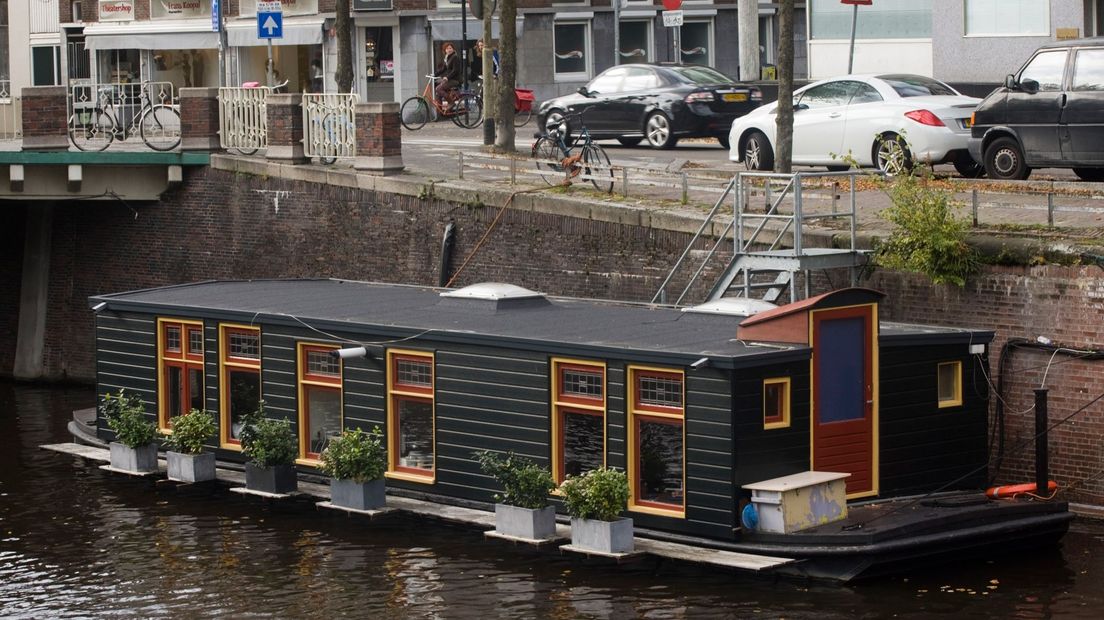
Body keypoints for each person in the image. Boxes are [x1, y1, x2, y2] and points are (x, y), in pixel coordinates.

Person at [434, 42, 463, 107]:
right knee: (438, 94)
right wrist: (434, 75)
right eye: (447, 48)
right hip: (450, 79)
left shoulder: (455, 57)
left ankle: (451, 102)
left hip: (455, 80)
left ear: (453, 49)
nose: (449, 50)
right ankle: (440, 113)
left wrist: (447, 77)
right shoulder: (447, 58)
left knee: (438, 89)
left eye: (450, 48)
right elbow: (443, 69)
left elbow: (455, 70)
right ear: (445, 50)